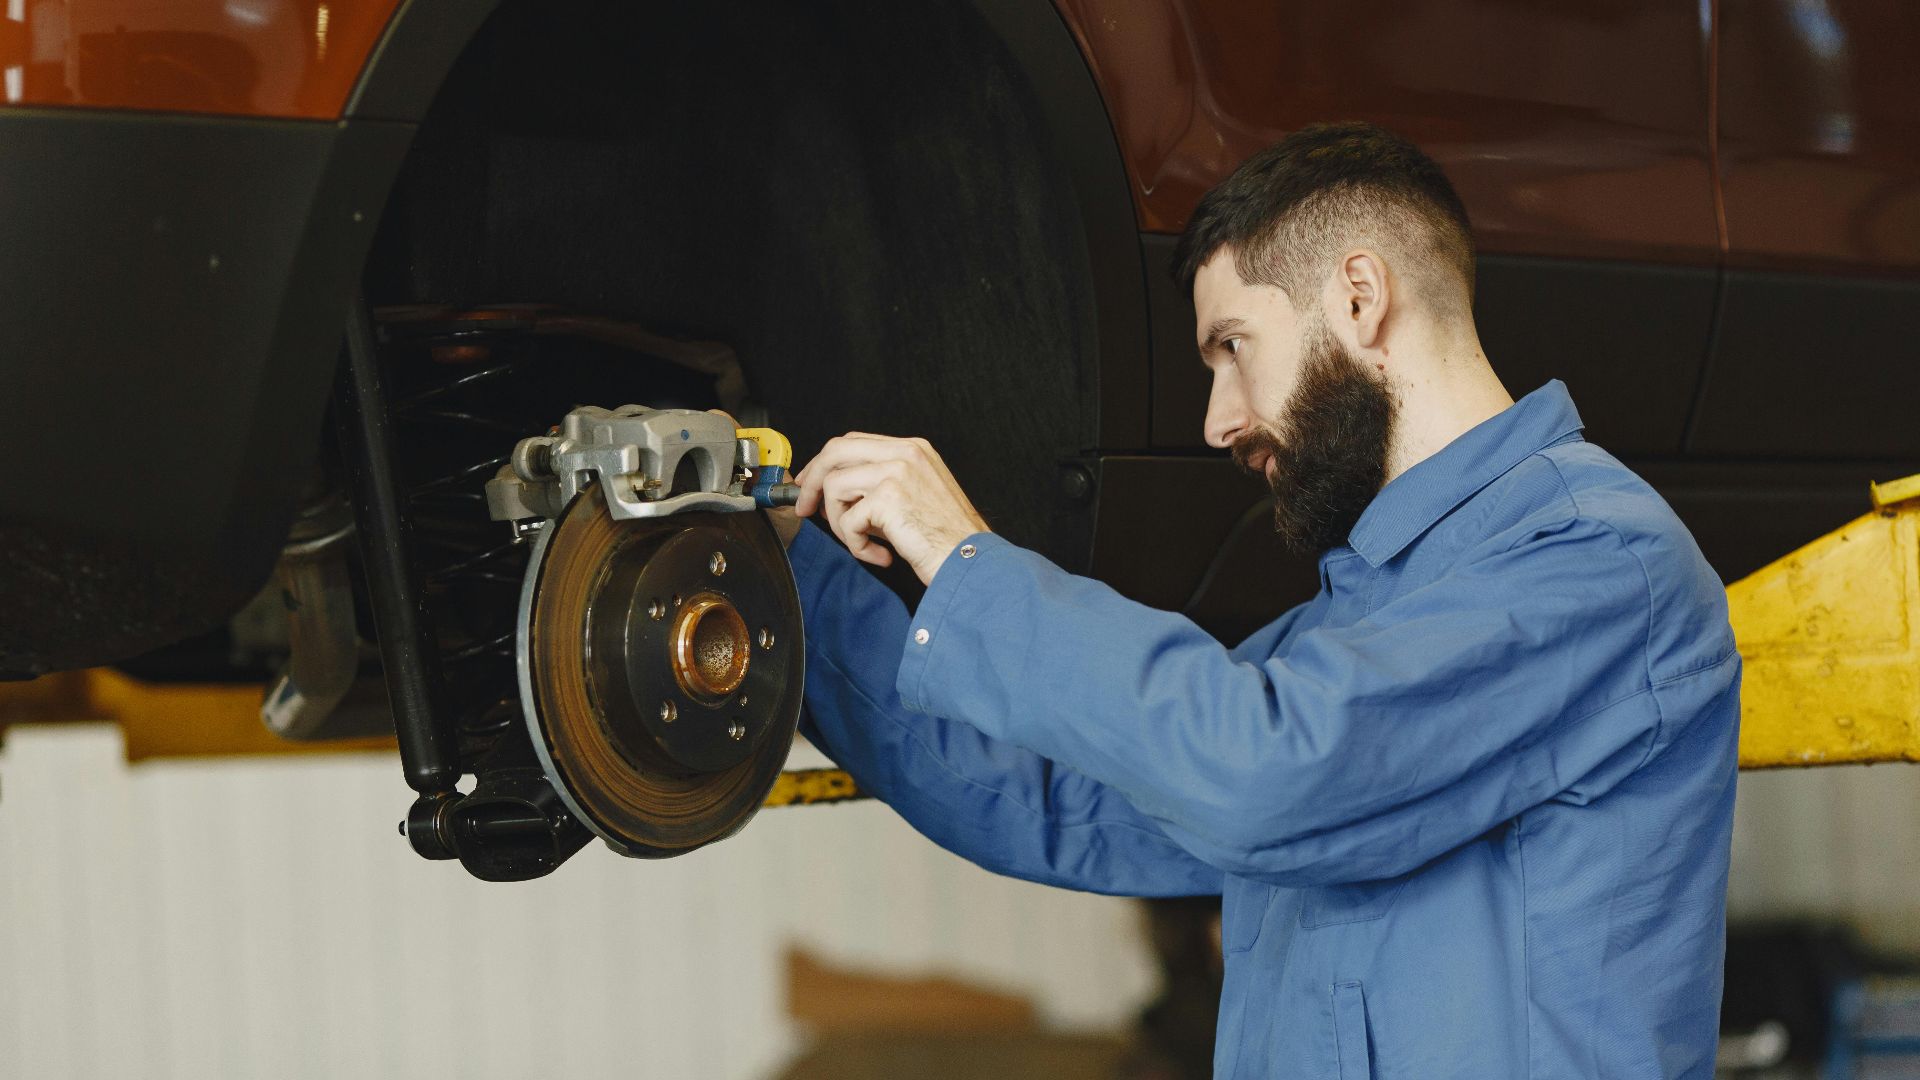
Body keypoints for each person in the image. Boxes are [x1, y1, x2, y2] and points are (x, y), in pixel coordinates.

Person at [769, 122, 1739, 1079]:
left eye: (1232, 347)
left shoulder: (1596, 563)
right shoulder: (1346, 632)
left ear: (1359, 297)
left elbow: (1267, 772)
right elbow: (1048, 801)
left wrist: (966, 556)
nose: (1217, 420)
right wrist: (792, 575)